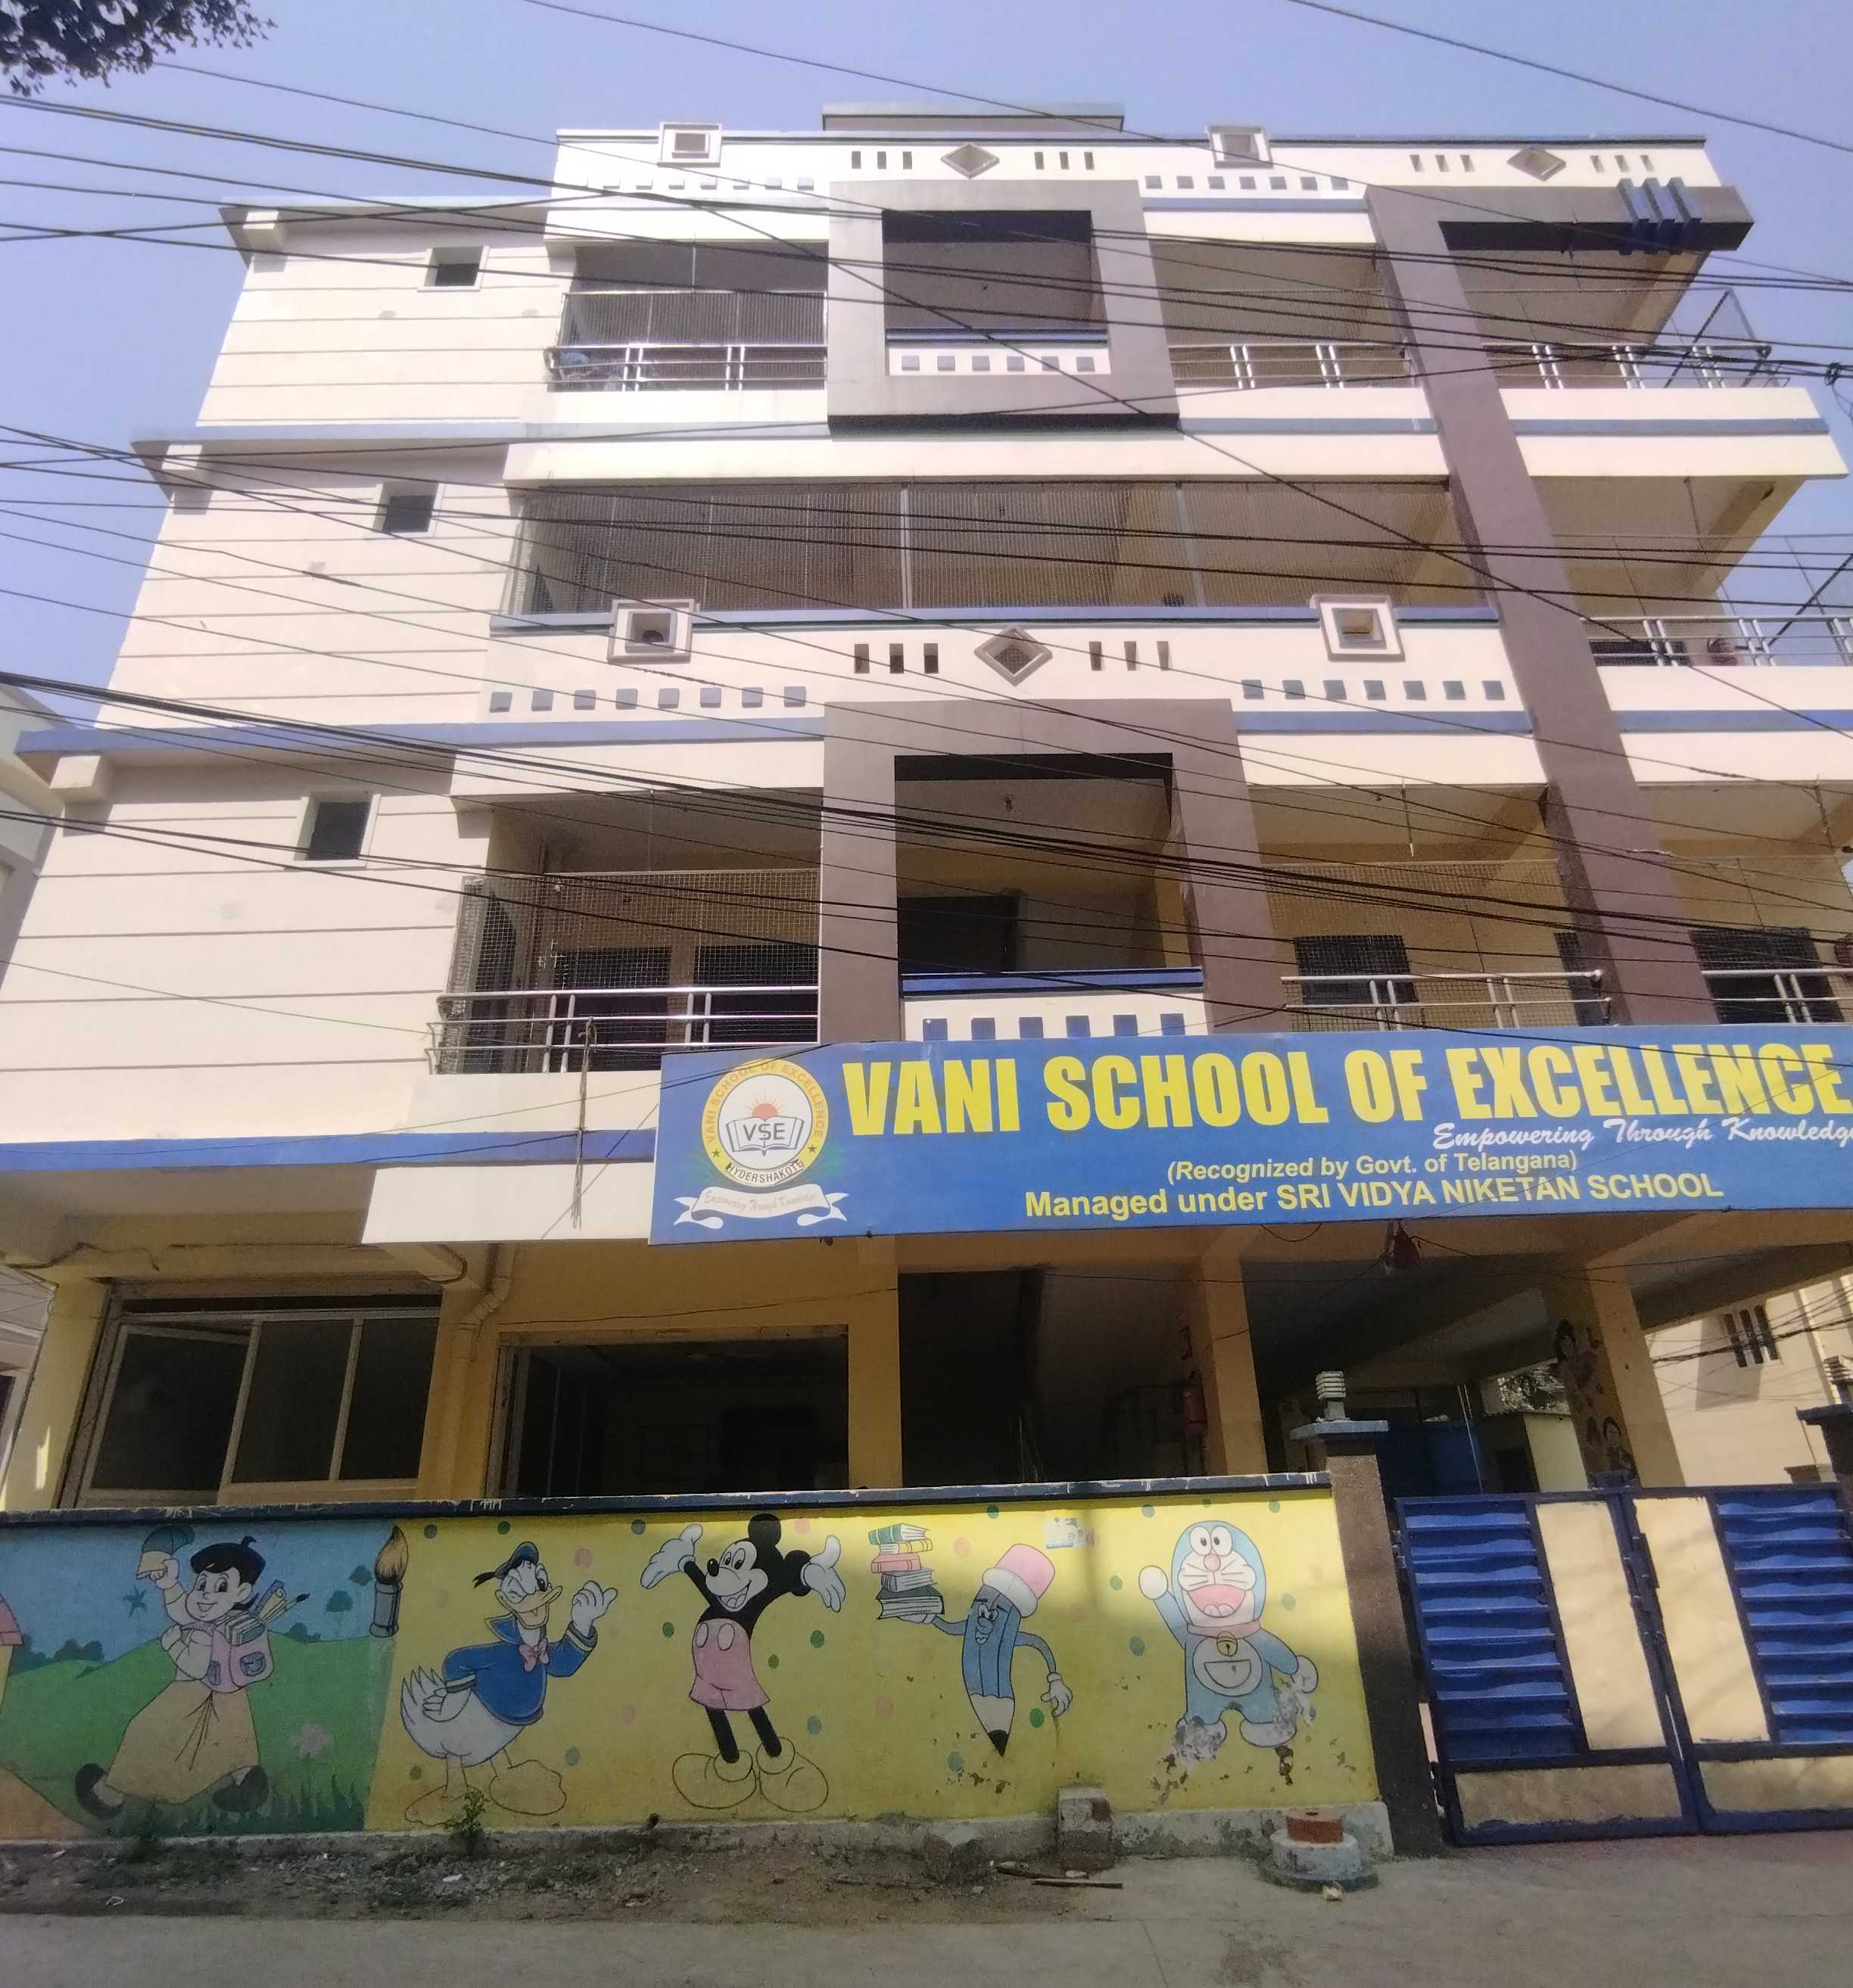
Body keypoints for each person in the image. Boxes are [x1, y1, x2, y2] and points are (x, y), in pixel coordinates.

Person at [76, 1536, 273, 1818]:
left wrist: (173, 1645)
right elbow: (183, 1609)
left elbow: (195, 1667)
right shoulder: (224, 1621)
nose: (205, 1595)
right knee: (233, 1738)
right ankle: (245, 1778)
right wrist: (170, 1584)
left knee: (146, 1730)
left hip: (191, 1692)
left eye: (220, 1587)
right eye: (201, 1585)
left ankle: (113, 1792)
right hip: (229, 1695)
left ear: (242, 1592)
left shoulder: (206, 1632)